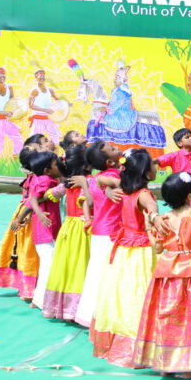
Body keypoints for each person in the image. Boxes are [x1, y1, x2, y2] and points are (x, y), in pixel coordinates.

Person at [89, 149, 169, 368]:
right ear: (144, 171)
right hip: (141, 251)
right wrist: (156, 218)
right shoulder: (143, 194)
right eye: (153, 165)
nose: (156, 168)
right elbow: (152, 211)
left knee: (123, 293)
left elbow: (98, 178)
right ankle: (140, 345)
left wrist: (106, 190)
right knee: (141, 294)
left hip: (124, 249)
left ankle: (120, 341)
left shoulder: (123, 188)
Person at [134, 172, 191, 378]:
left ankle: (165, 363)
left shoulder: (163, 219)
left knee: (168, 315)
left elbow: (157, 248)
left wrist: (147, 225)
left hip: (167, 269)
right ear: (190, 195)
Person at [0, 136, 52, 301]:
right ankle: (31, 288)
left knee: (29, 250)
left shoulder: (36, 173)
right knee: (30, 251)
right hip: (30, 213)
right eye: (43, 145)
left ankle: (29, 287)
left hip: (27, 211)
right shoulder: (41, 177)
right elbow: (34, 198)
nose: (48, 144)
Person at [74, 140, 124, 327]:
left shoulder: (95, 179)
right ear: (110, 162)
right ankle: (105, 315)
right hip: (113, 232)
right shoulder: (113, 176)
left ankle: (89, 315)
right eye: (111, 149)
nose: (115, 147)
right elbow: (121, 184)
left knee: (95, 272)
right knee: (110, 273)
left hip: (99, 232)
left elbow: (91, 200)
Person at [42, 144, 93, 321]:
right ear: (87, 165)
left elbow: (49, 195)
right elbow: (90, 202)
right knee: (81, 265)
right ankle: (77, 309)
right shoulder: (88, 182)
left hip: (68, 228)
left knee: (66, 265)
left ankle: (61, 307)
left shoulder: (67, 183)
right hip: (82, 228)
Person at [25, 151, 64, 309]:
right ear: (48, 170)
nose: (59, 166)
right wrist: (40, 214)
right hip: (46, 229)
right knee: (48, 265)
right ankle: (41, 300)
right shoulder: (46, 181)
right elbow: (33, 198)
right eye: (56, 164)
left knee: (47, 264)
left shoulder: (42, 178)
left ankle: (38, 299)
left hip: (44, 229)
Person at [27, 69, 64, 145]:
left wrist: (66, 104)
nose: (42, 78)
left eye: (43, 76)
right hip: (38, 119)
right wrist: (45, 110)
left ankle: (55, 155)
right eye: (40, 76)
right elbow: (30, 105)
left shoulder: (50, 90)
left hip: (48, 118)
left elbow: (57, 100)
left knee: (55, 139)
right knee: (36, 141)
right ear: (36, 77)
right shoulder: (35, 90)